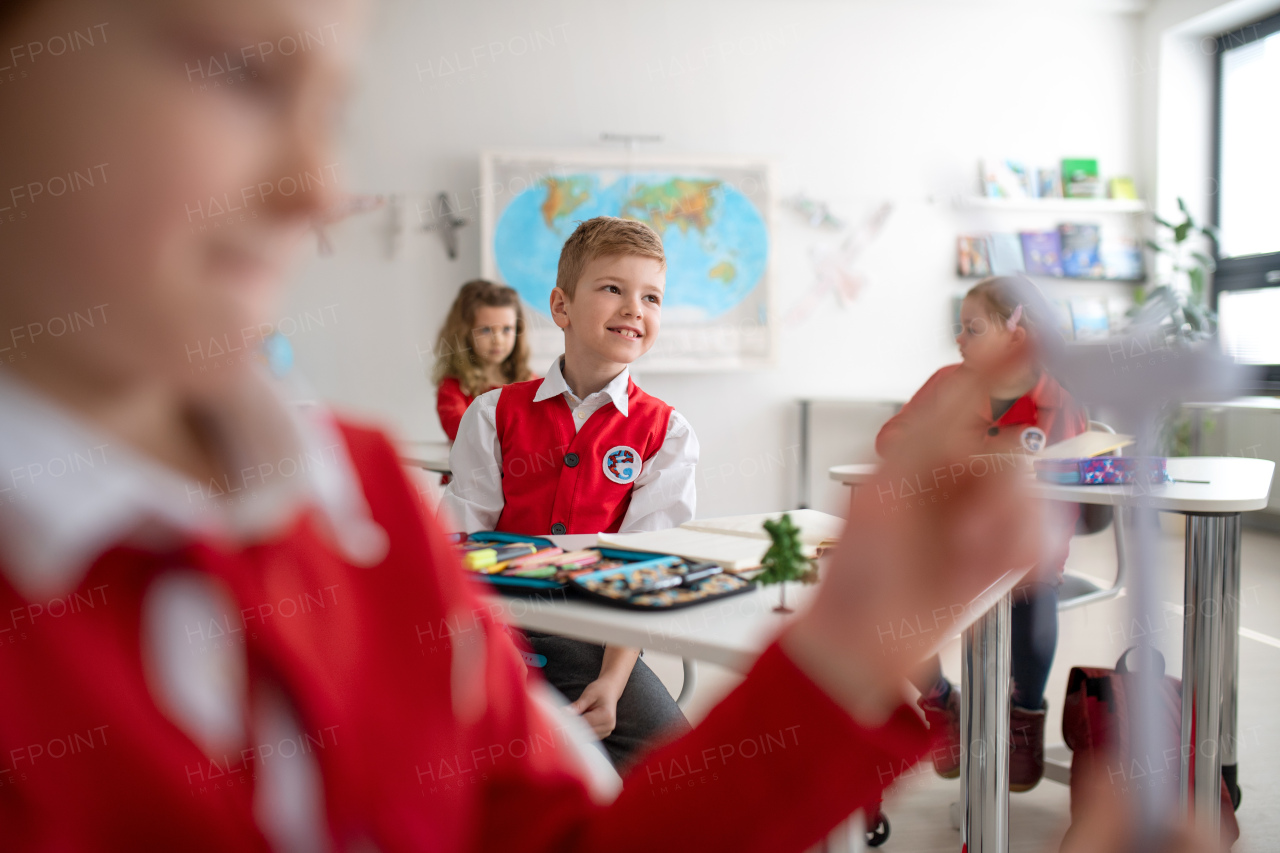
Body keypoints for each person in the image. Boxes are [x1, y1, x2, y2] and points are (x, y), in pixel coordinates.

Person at [0, 0, 1067, 848]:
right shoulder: (462, 438)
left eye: (328, 112)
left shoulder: (357, 497)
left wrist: (849, 647)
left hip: (593, 643)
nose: (323, 188)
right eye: (236, 74)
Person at [440, 216, 697, 769]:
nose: (635, 309)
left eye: (651, 297)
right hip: (495, 630)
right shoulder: (493, 413)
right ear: (561, 307)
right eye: (613, 288)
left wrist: (612, 679)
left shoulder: (667, 433)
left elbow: (645, 569)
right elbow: (457, 546)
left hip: (598, 642)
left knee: (682, 767)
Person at [875, 275, 1089, 792]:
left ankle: (1024, 716)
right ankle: (939, 699)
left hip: (1023, 554)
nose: (959, 339)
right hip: (946, 548)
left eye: (972, 328)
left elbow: (1075, 490)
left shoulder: (1059, 401)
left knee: (1033, 597)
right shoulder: (949, 383)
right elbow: (892, 438)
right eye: (959, 327)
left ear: (1017, 336)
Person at [432, 279, 533, 443]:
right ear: (464, 333)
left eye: (507, 329)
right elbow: (465, 433)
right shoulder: (453, 388)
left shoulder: (530, 381)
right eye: (486, 330)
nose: (498, 340)